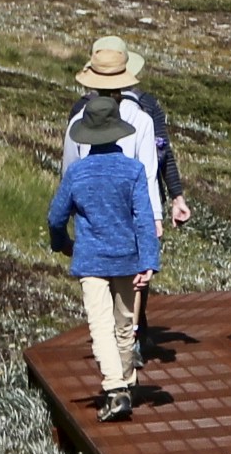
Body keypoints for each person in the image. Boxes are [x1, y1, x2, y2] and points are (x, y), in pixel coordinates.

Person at [63, 36, 190, 356]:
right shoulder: (145, 116)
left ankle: (112, 357)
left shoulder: (78, 117)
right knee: (132, 279)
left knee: (98, 282)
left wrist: (63, 217)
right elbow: (150, 171)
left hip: (91, 212)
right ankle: (129, 343)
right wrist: (157, 216)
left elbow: (69, 172)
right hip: (132, 209)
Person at [46, 94, 159, 420]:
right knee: (125, 325)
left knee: (101, 327)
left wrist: (62, 243)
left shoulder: (77, 173)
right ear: (116, 131)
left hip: (92, 260)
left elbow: (55, 217)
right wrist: (148, 261)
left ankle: (115, 390)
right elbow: (143, 218)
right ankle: (128, 381)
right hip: (126, 259)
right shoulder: (133, 171)